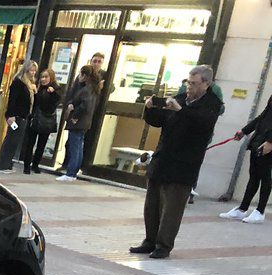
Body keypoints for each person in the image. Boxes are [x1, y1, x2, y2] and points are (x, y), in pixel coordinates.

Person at [128, 65, 223, 259]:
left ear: (206, 84)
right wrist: (150, 109)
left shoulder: (212, 105)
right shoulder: (180, 99)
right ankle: (149, 241)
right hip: (163, 159)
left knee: (171, 209)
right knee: (152, 205)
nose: (189, 87)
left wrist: (180, 110)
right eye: (188, 82)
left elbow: (201, 126)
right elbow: (160, 120)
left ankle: (164, 245)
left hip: (184, 165)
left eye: (194, 83)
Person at [220, 94, 272, 224]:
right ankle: (242, 209)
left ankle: (260, 211)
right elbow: (262, 117)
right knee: (254, 176)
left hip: (268, 144)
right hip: (258, 141)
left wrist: (270, 142)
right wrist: (244, 131)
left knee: (265, 178)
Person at [57, 52, 106, 172]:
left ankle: (74, 170)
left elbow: (88, 102)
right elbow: (73, 91)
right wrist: (69, 104)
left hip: (85, 115)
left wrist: (75, 116)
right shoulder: (82, 76)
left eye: (99, 61)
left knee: (78, 143)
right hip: (76, 111)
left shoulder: (100, 78)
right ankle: (67, 165)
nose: (96, 64)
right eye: (95, 61)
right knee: (72, 143)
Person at [56, 66, 100, 182]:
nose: (79, 77)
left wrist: (74, 115)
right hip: (84, 122)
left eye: (81, 75)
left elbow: (85, 106)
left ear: (85, 76)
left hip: (78, 122)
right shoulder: (92, 89)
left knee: (75, 147)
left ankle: (70, 173)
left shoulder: (86, 90)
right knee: (78, 147)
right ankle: (73, 172)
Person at [0, 59, 38, 173]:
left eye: (34, 71)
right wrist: (11, 115)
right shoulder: (19, 82)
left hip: (23, 116)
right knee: (11, 139)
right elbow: (12, 99)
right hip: (16, 116)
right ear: (26, 70)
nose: (33, 73)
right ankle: (1, 165)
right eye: (31, 70)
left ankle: (7, 163)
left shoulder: (30, 84)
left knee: (15, 140)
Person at [23, 69, 62, 174]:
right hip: (35, 118)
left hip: (47, 120)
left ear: (51, 78)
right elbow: (33, 103)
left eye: (46, 77)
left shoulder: (55, 89)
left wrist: (52, 93)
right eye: (42, 77)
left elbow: (55, 103)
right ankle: (27, 165)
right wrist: (35, 93)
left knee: (41, 144)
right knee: (30, 143)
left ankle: (35, 165)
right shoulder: (37, 87)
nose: (43, 79)